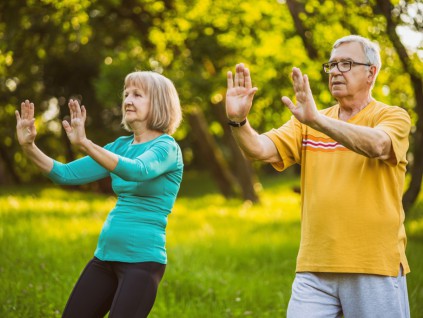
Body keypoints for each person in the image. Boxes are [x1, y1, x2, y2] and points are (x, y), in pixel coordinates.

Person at [225, 35, 411, 317]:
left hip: (373, 265)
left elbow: (377, 145)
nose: (335, 71)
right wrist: (239, 121)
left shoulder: (392, 116)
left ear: (371, 73)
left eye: (346, 64)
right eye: (332, 65)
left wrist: (318, 121)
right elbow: (259, 149)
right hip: (314, 268)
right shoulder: (307, 122)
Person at [15, 71, 183, 318]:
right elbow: (65, 174)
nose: (128, 100)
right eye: (126, 94)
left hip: (142, 263)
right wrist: (28, 147)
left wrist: (85, 144)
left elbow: (138, 170)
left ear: (159, 103)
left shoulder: (167, 147)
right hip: (104, 258)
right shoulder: (120, 146)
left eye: (137, 95)